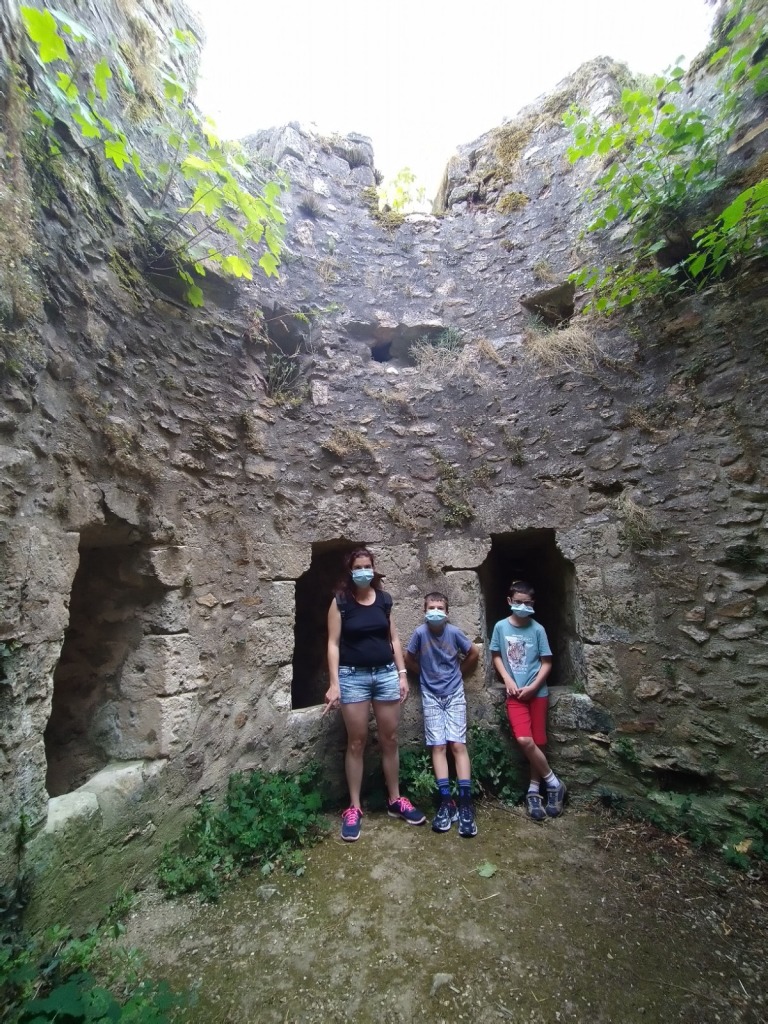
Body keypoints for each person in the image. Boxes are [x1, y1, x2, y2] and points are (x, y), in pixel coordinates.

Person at [324, 547, 426, 842]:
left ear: (374, 568)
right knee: (356, 741)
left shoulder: (384, 600)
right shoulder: (340, 602)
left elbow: (393, 638)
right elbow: (333, 643)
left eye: (367, 566)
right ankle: (354, 807)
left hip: (385, 675)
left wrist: (402, 673)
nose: (363, 571)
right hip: (353, 677)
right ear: (350, 570)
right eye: (358, 567)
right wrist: (334, 683)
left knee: (390, 738)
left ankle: (395, 799)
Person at [489, 580, 566, 822]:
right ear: (509, 601)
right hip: (515, 695)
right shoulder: (501, 627)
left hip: (537, 693)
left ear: (533, 604)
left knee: (538, 741)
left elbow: (547, 662)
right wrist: (507, 679)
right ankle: (554, 783)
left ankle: (534, 791)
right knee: (524, 739)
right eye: (518, 602)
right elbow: (496, 655)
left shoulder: (538, 629)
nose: (522, 607)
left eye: (527, 603)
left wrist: (533, 687)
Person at [405, 592, 480, 837]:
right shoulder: (419, 634)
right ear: (424, 610)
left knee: (457, 745)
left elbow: (473, 653)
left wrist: (459, 672)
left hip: (454, 694)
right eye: (431, 607)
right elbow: (408, 658)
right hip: (431, 696)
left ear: (447, 612)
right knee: (437, 746)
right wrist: (423, 674)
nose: (435, 611)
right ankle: (447, 802)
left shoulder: (454, 632)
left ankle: (466, 804)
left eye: (440, 608)